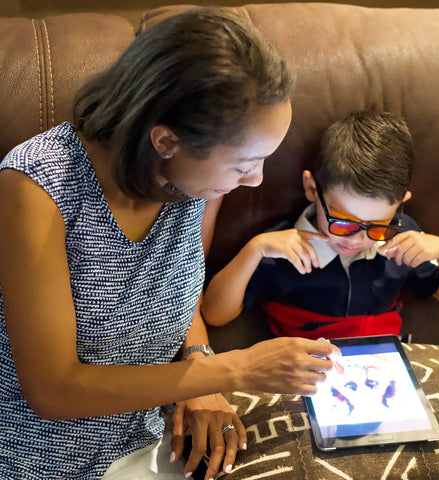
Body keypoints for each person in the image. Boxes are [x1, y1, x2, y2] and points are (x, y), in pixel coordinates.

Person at [0, 7, 340, 480]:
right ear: (165, 141)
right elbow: (54, 391)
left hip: (156, 433)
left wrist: (197, 367)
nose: (254, 180)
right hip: (45, 458)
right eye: (244, 163)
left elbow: (180, 300)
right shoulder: (39, 186)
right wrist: (231, 371)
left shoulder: (196, 185)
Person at [202, 111, 439, 340]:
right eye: (343, 223)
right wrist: (255, 249)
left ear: (401, 203)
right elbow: (214, 314)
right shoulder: (281, 250)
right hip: (305, 369)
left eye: (377, 226)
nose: (356, 239)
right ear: (312, 188)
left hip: (384, 365)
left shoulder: (402, 238)